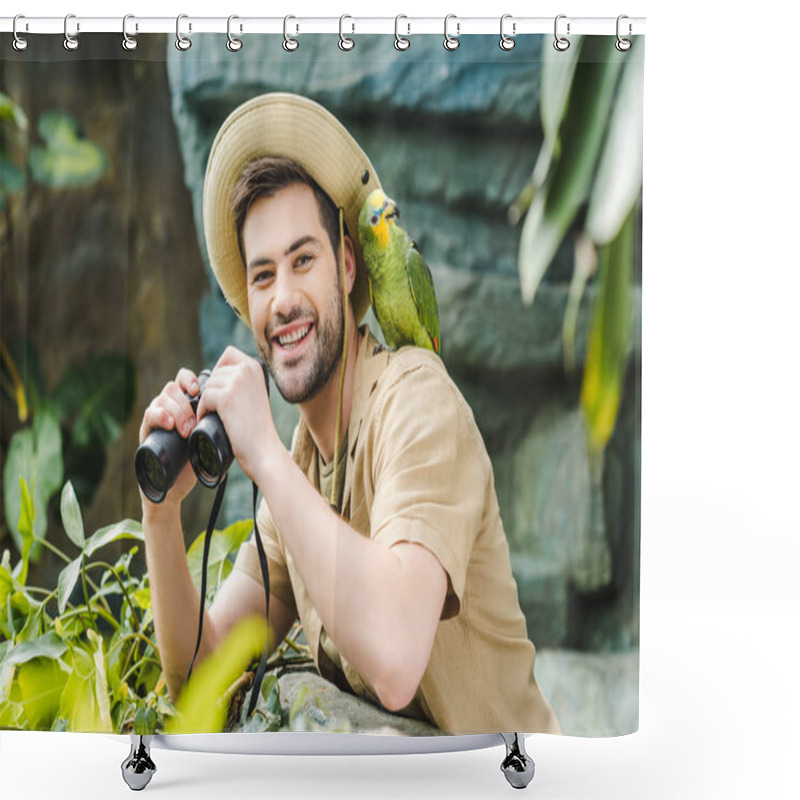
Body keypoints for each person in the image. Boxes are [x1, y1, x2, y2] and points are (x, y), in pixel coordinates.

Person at [140, 93, 560, 735]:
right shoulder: (304, 463)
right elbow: (201, 678)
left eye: (303, 261)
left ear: (346, 266)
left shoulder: (417, 400)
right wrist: (161, 509)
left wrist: (267, 461)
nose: (283, 300)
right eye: (262, 276)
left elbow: (394, 660)